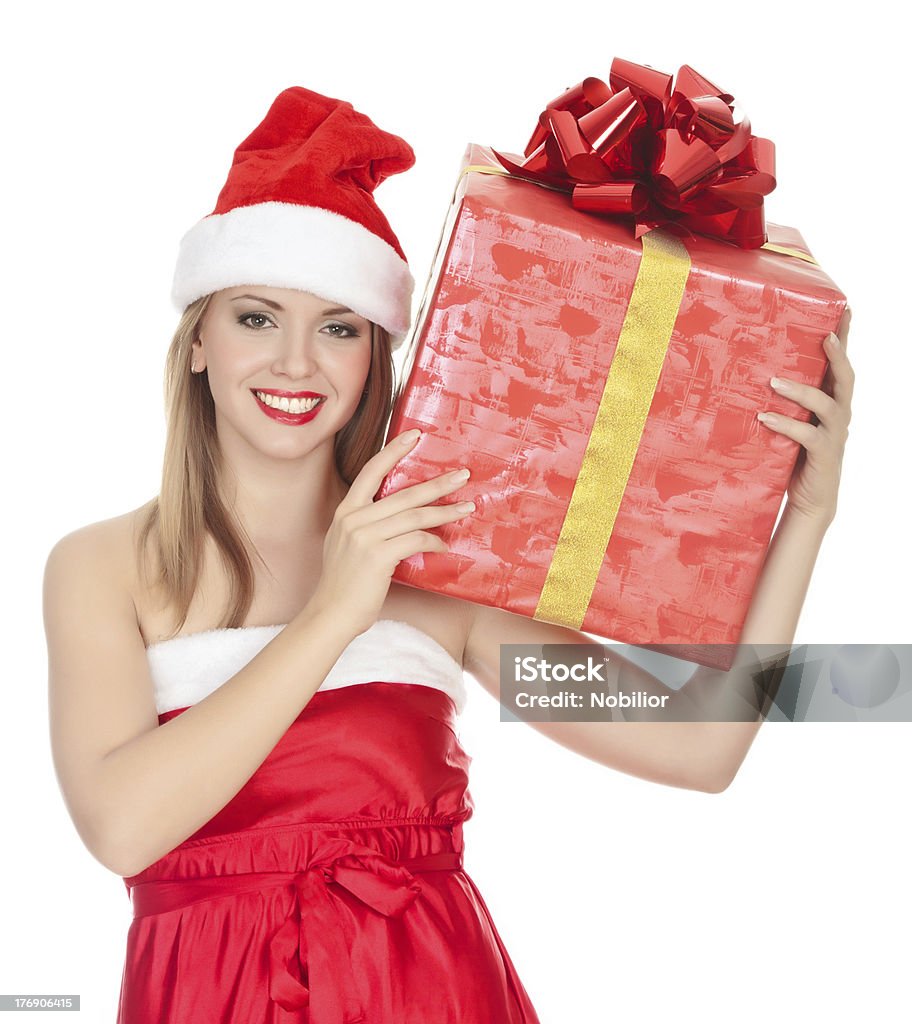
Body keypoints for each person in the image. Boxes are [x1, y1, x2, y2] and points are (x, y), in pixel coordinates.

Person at [42, 86, 854, 1023]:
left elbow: (702, 749)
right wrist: (335, 614)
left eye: (339, 327)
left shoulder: (447, 559)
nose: (297, 364)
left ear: (374, 358)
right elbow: (121, 826)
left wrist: (806, 519)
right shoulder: (101, 568)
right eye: (256, 318)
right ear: (197, 344)